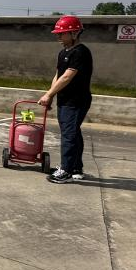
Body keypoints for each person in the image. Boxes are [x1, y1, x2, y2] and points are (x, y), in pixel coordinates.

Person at [38, 15, 93, 184]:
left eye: (62, 33)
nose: (58, 37)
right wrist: (50, 95)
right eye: (58, 34)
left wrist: (48, 95)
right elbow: (58, 76)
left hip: (76, 101)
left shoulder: (80, 52)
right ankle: (76, 168)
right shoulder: (63, 53)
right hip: (65, 100)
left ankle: (66, 171)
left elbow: (67, 77)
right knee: (73, 133)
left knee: (69, 135)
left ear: (75, 33)